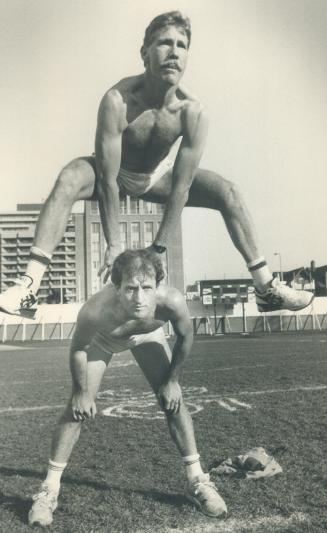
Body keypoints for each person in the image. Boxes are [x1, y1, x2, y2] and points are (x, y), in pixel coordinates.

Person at [0, 11, 313, 318]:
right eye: (165, 43)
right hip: (112, 171)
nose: (174, 52)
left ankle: (266, 289)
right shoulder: (118, 100)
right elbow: (109, 180)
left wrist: (159, 248)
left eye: (181, 45)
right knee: (69, 177)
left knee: (228, 192)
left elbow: (182, 185)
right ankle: (29, 286)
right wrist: (114, 246)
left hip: (155, 177)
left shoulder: (193, 112)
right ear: (145, 52)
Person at [28, 249, 227, 527]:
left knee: (173, 401)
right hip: (102, 340)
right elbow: (78, 348)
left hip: (147, 336)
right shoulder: (95, 309)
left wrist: (172, 381)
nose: (139, 298)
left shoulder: (171, 302)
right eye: (131, 289)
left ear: (157, 285)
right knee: (76, 410)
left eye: (147, 288)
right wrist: (81, 392)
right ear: (116, 286)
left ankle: (198, 481)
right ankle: (48, 491)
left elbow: (186, 336)